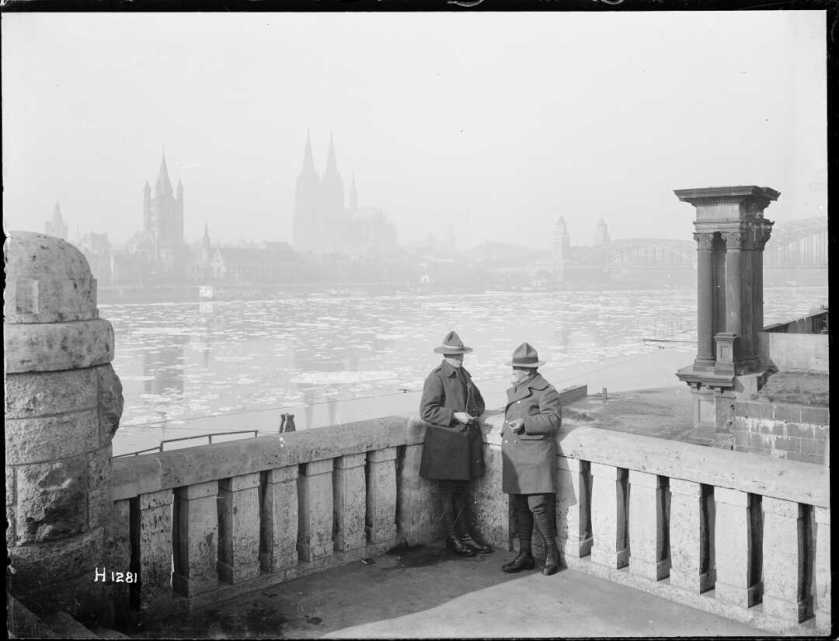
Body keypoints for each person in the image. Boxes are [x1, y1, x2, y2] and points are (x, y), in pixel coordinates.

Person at [419, 330, 492, 556]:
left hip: (462, 445)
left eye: (461, 354)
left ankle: (466, 536)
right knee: (448, 494)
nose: (459, 358)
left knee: (461, 493)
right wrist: (454, 415)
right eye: (455, 355)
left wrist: (473, 414)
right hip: (445, 448)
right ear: (445, 355)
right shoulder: (436, 377)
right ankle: (453, 539)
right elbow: (426, 411)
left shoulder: (464, 375)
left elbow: (478, 403)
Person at [501, 342, 562, 575]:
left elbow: (553, 420)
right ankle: (524, 554)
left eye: (516, 368)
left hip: (535, 457)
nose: (513, 372)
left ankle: (551, 554)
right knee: (519, 506)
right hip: (517, 457)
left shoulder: (546, 391)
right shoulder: (518, 388)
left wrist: (526, 423)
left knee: (538, 507)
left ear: (528, 371)